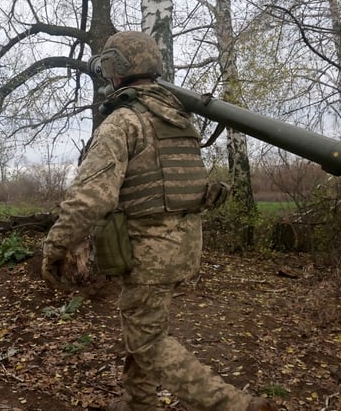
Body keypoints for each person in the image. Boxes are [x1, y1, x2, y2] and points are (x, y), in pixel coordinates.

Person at [42, 31, 276, 411]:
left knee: (148, 341)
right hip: (183, 246)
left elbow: (90, 197)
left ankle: (237, 406)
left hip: (148, 252)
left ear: (117, 69)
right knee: (145, 329)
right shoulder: (179, 119)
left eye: (107, 66)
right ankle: (138, 403)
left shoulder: (125, 121)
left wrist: (56, 245)